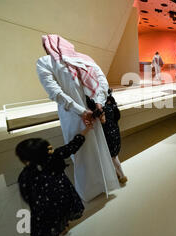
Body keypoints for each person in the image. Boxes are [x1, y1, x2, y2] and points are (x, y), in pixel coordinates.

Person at [36, 34, 120, 202]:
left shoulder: (44, 62)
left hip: (74, 115)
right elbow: (102, 83)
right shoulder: (86, 59)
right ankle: (106, 183)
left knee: (81, 152)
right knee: (96, 147)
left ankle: (89, 190)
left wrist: (81, 111)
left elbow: (55, 93)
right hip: (94, 111)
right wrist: (99, 103)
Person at [16, 122, 93, 236]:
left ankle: (60, 228)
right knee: (64, 212)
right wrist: (86, 130)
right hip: (64, 195)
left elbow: (27, 196)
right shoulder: (55, 157)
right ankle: (64, 225)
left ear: (26, 161)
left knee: (52, 221)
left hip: (46, 206)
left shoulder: (26, 175)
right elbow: (73, 146)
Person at [99, 89, 127, 184]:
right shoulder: (113, 105)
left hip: (109, 136)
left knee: (113, 158)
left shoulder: (104, 108)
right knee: (114, 157)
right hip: (115, 135)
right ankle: (119, 174)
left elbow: (102, 121)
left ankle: (122, 176)